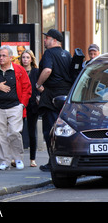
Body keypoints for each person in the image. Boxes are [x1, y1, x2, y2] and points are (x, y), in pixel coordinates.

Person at [0, 45, 32, 171]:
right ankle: (4, 161)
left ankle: (18, 159)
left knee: (15, 132)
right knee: (1, 135)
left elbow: (27, 89)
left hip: (15, 106)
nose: (1, 58)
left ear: (11, 57)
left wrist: (22, 104)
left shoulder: (19, 70)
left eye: (4, 55)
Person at [36, 29, 72, 172]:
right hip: (66, 97)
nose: (45, 40)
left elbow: (47, 71)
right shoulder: (67, 54)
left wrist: (38, 84)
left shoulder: (49, 53)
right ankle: (65, 160)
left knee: (50, 131)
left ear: (54, 41)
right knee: (64, 130)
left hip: (51, 97)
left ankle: (53, 162)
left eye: (47, 38)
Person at [20, 49, 40, 167]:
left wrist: (39, 96)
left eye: (27, 57)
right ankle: (17, 158)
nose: (25, 60)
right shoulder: (18, 71)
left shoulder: (36, 72)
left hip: (33, 105)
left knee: (32, 132)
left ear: (31, 59)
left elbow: (41, 85)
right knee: (18, 132)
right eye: (23, 57)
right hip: (20, 104)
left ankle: (32, 159)